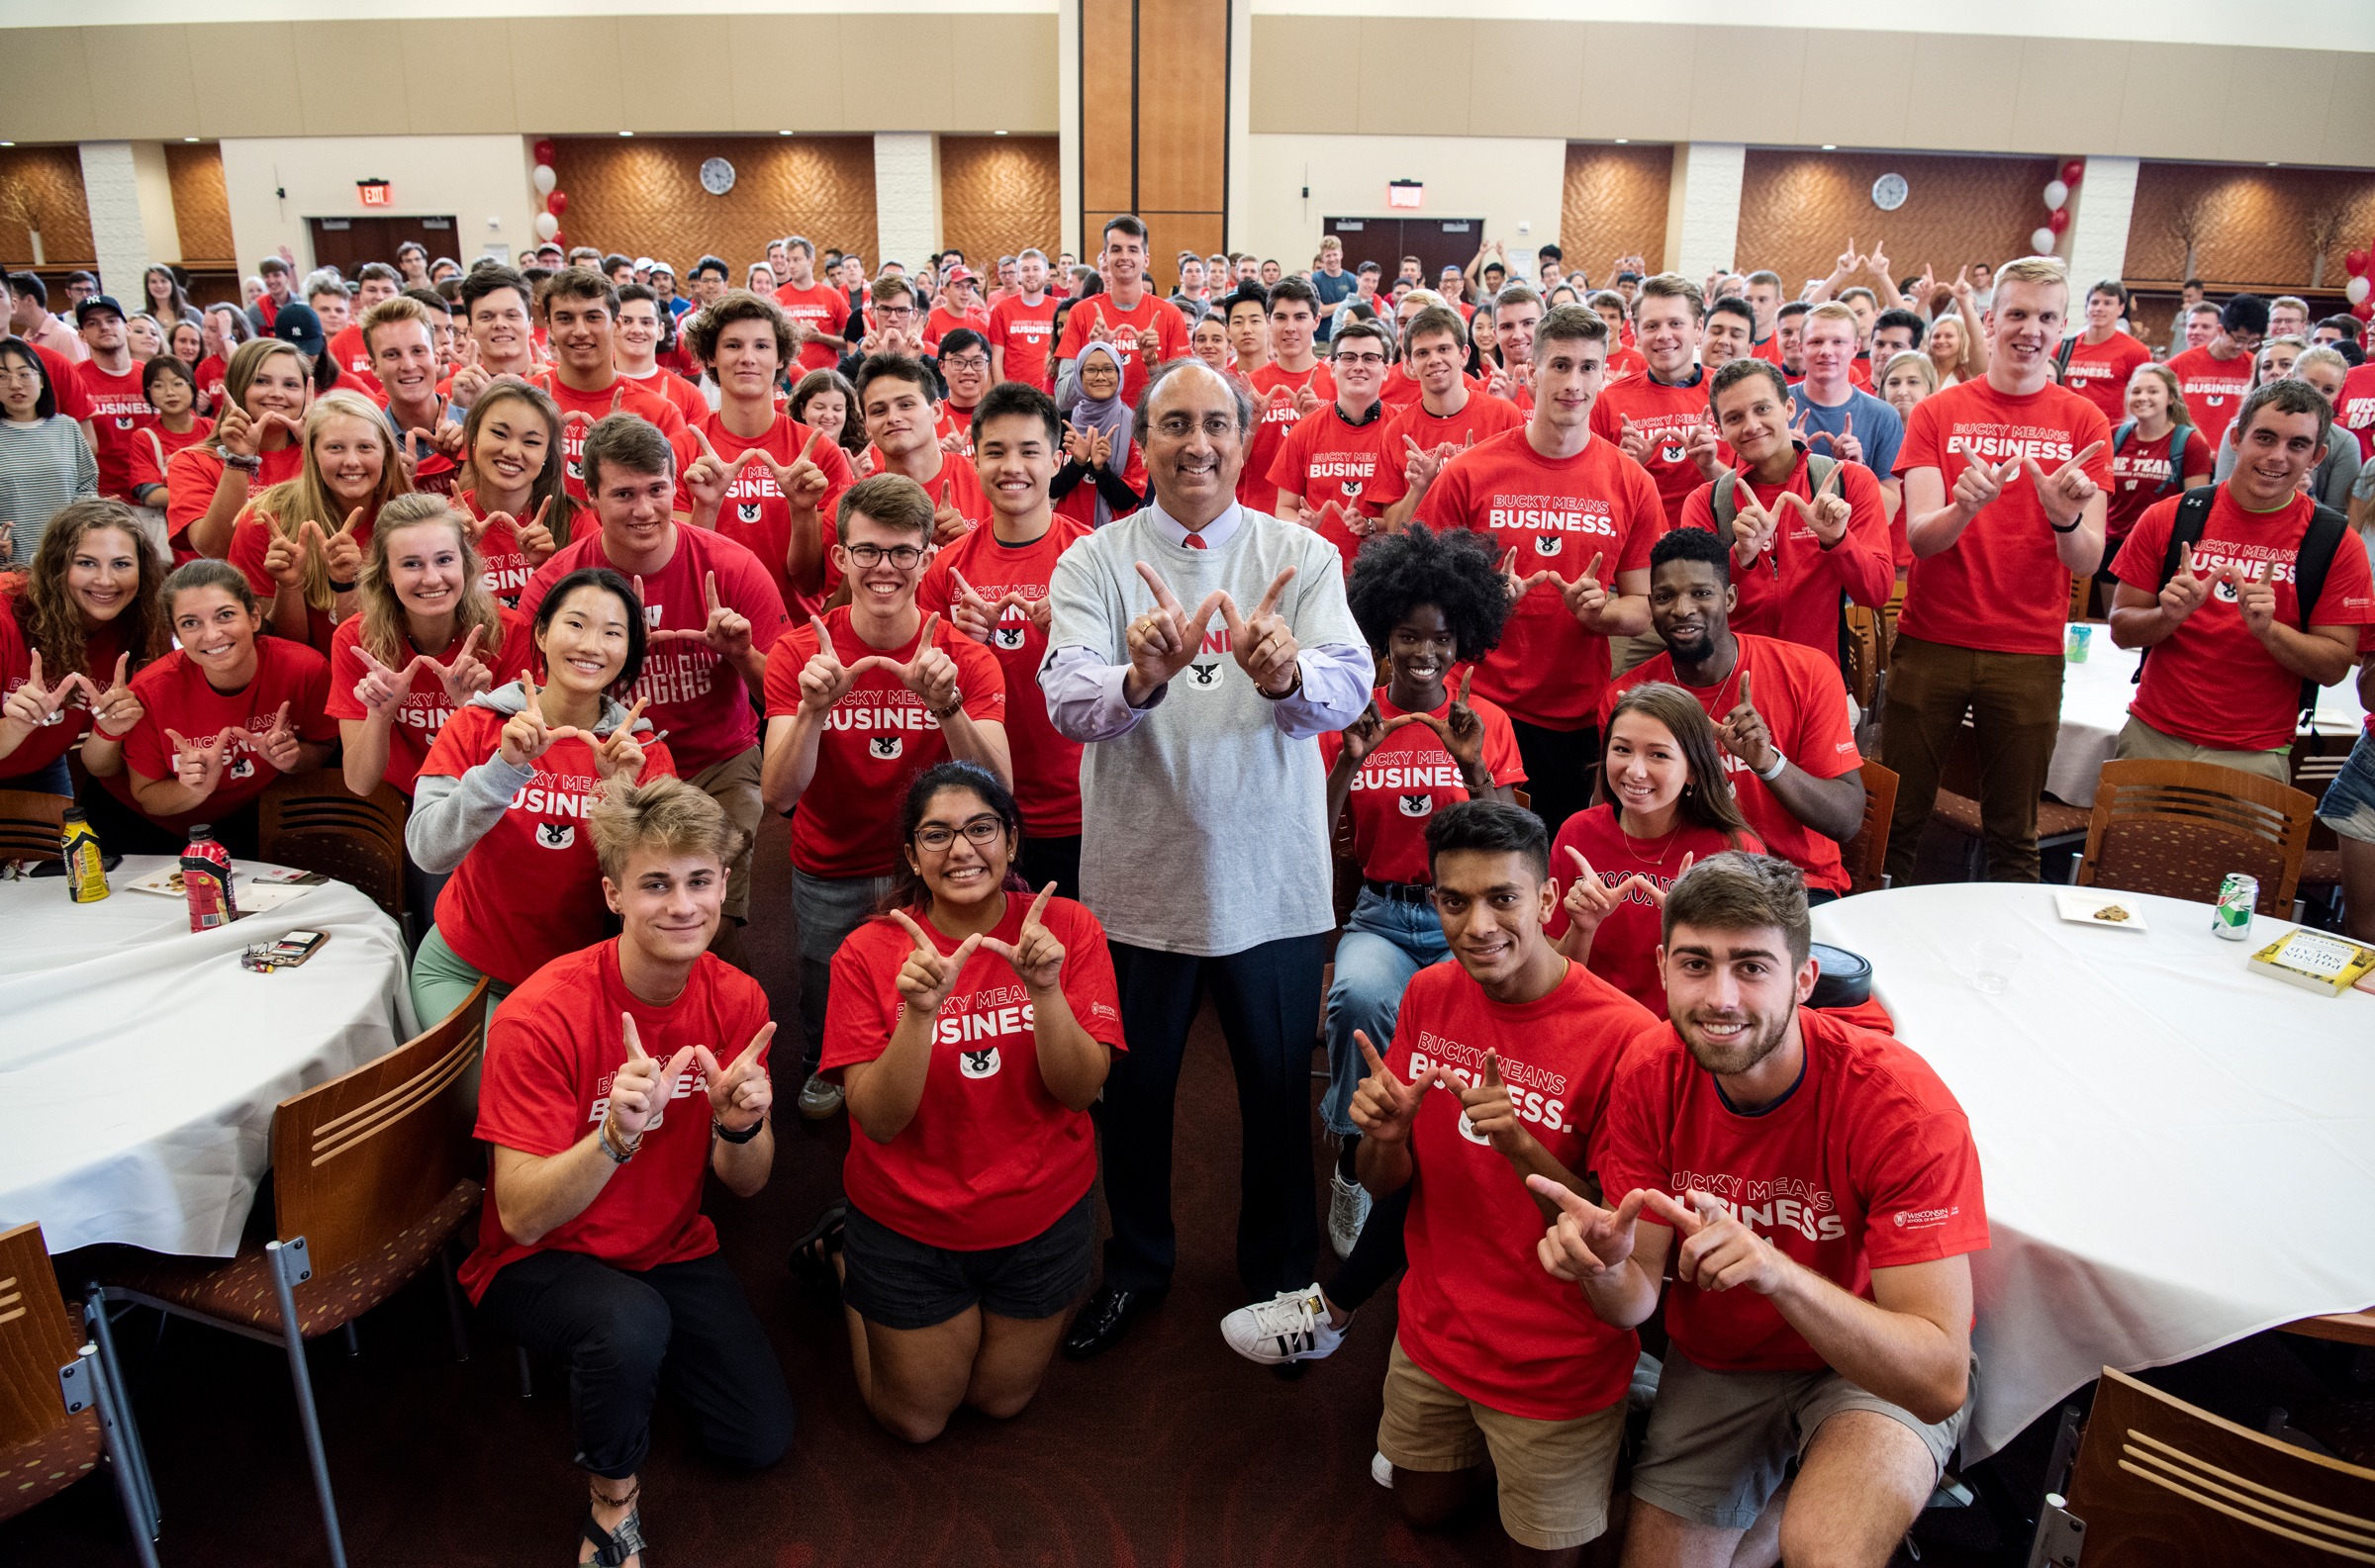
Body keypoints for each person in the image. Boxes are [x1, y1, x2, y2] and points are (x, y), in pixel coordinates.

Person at [1039, 357, 1368, 1357]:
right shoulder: (1094, 559)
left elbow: (1348, 687)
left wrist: (1288, 672)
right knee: (1133, 1099)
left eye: (1215, 423)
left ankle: (1279, 1276)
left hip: (1271, 885)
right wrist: (1139, 679)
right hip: (1140, 882)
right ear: (1141, 439)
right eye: (1174, 422)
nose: (1197, 442)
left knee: (1275, 1096)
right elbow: (1067, 700)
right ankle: (1138, 1264)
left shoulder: (1301, 555)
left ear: (1245, 436)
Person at [1537, 853, 1985, 1568]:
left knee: (1827, 1551)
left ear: (1804, 980)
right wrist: (1603, 1267)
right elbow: (1633, 1304)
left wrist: (1777, 1270)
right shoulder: (1650, 1072)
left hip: (1871, 1355)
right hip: (1727, 1357)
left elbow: (1937, 1376)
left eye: (1751, 966)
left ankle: (1801, 1489)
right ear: (1661, 967)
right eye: (1695, 963)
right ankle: (1785, 1486)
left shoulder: (1900, 1105)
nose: (1720, 996)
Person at [462, 777, 793, 1568]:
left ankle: (631, 1357)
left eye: (700, 880)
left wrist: (740, 1124)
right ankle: (613, 1509)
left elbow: (746, 1181)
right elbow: (521, 1217)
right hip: (541, 1258)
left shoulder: (740, 997)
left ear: (723, 886)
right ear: (613, 893)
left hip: (668, 1243)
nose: (682, 905)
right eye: (655, 883)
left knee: (759, 1437)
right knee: (628, 1325)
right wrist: (613, 1136)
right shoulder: (539, 1015)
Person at [1350, 800, 1654, 1566]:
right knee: (1423, 1510)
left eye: (1503, 898)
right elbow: (1384, 1183)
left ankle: (1620, 1435)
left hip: (1557, 1362)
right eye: (1454, 901)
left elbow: (1613, 1235)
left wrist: (1519, 1144)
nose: (1477, 924)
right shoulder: (1428, 993)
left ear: (1547, 902)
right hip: (1435, 1329)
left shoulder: (1626, 1038)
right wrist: (1382, 1139)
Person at [811, 763, 1119, 1443]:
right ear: (911, 856)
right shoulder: (868, 952)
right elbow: (878, 1118)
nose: (961, 849)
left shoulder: (1067, 929)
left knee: (1000, 1401)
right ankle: (845, 1257)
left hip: (1040, 1211)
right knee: (916, 1420)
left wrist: (1044, 989)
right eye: (936, 834)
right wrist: (920, 1013)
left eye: (981, 828)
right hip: (911, 1220)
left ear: (1011, 842)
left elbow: (1080, 1090)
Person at [760, 473, 1010, 1120]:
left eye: (903, 552)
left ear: (927, 558)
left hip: (932, 866)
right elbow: (778, 792)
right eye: (867, 550)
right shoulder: (798, 653)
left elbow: (1000, 791)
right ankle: (827, 1060)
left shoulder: (964, 657)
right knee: (823, 984)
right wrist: (815, 710)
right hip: (830, 864)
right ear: (841, 556)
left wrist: (946, 705)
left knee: (938, 986)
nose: (885, 568)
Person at [1313, 524, 1521, 1252]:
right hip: (1381, 910)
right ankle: (1351, 1151)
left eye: (1440, 638)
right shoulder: (1349, 718)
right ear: (1381, 638)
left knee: (1461, 1026)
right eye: (1407, 636)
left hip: (1463, 920)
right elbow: (1312, 831)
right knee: (1360, 999)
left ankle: (1440, 1161)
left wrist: (1474, 768)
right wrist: (1349, 759)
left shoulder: (1484, 721)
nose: (1425, 653)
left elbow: (1515, 845)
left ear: (1461, 641)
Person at [521, 414, 789, 955]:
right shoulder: (559, 583)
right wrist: (607, 653)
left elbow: (783, 698)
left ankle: (715, 1016)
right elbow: (531, 697)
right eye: (623, 494)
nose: (643, 510)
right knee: (605, 918)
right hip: (605, 757)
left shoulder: (731, 567)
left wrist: (741, 655)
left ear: (674, 486)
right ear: (590, 496)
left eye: (656, 490)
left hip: (717, 762)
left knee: (706, 922)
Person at [1885, 255, 2110, 886]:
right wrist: (1964, 505)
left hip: (2029, 649)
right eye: (2016, 313)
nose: (2029, 329)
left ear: (2062, 328)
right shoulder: (1938, 412)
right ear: (1991, 318)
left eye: (2044, 317)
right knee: (1900, 816)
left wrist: (2063, 518)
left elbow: (2088, 557)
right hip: (1934, 640)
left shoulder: (2084, 423)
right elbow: (1922, 541)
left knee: (2016, 831)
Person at [1413, 305, 1662, 835]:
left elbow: (1642, 609)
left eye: (1589, 367)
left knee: (1551, 866)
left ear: (1605, 375)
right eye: (1561, 365)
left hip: (1575, 715)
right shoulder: (1468, 473)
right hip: (1478, 702)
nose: (1574, 383)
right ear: (1531, 371)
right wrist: (1481, 599)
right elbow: (1420, 592)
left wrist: (1602, 612)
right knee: (1472, 859)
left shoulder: (1632, 482)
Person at [408, 564, 672, 1040]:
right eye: (575, 624)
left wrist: (622, 795)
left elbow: (661, 892)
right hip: (468, 974)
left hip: (588, 979)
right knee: (505, 1097)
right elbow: (429, 851)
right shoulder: (478, 726)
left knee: (585, 1107)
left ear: (629, 651)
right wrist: (502, 770)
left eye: (613, 633)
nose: (591, 646)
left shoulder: (640, 750)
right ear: (543, 632)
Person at [2107, 380, 2372, 780]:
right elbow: (2122, 630)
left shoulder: (2335, 541)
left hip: (2256, 751)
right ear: (2235, 438)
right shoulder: (2171, 516)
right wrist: (2169, 615)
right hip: (2153, 733)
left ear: (2316, 456)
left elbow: (2335, 667)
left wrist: (2269, 630)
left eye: (2297, 445)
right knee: (2131, 845)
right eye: (2264, 438)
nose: (2277, 457)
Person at [1606, 526, 1864, 903]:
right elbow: (1608, 820)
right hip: (1677, 882)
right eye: (1665, 596)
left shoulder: (1808, 672)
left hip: (1792, 883)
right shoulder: (1626, 697)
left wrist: (1768, 763)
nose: (1682, 609)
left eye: (1701, 593)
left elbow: (1846, 820)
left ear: (1729, 598)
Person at [916, 383, 1090, 897]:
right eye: (995, 451)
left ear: (1057, 460)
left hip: (1080, 806)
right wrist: (957, 647)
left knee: (1079, 956)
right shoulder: (946, 568)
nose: (1012, 465)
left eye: (1029, 451)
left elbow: (1138, 680)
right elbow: (920, 689)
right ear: (973, 460)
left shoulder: (1092, 557)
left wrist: (1079, 634)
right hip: (980, 808)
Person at [1551, 682, 1760, 1016]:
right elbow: (1552, 981)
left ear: (1693, 769)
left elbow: (1749, 984)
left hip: (1685, 1034)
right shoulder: (1577, 833)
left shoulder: (1735, 851)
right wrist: (1582, 928)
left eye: (1658, 755)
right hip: (1588, 1022)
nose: (1634, 770)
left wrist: (1693, 929)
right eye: (1621, 750)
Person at [105, 559, 335, 854]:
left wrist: (294, 758)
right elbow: (148, 797)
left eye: (225, 615)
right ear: (175, 633)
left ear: (254, 616)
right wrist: (195, 787)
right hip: (147, 829)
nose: (211, 635)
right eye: (190, 623)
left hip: (250, 820)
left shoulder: (306, 669)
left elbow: (325, 745)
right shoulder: (151, 689)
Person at [330, 493, 531, 803]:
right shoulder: (357, 640)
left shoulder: (511, 632)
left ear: (465, 562)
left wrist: (472, 709)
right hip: (404, 799)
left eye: (444, 559)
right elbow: (359, 782)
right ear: (386, 573)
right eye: (412, 564)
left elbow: (519, 770)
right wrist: (381, 715)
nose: (432, 578)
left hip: (489, 797)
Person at [1684, 358, 1894, 655]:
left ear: (1789, 408)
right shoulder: (1706, 501)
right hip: (1733, 675)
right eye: (1734, 418)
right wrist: (1741, 557)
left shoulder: (1849, 482)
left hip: (1819, 678)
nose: (1752, 425)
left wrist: (1837, 541)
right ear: (1719, 430)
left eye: (1763, 408)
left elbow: (1876, 592)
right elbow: (1692, 606)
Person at [680, 291, 855, 618]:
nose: (748, 357)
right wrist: (707, 505)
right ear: (711, 356)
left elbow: (808, 583)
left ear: (780, 359)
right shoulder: (682, 450)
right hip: (706, 630)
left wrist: (802, 511)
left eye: (761, 346)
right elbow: (683, 574)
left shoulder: (819, 453)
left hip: (793, 636)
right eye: (733, 345)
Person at [229, 388, 409, 658]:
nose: (351, 461)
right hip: (307, 680)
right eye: (335, 447)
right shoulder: (265, 519)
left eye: (365, 447)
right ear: (312, 454)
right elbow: (281, 649)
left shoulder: (412, 520)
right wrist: (289, 586)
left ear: (387, 452)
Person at [0, 500, 162, 798]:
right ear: (56, 565)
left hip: (42, 768)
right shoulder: (5, 614)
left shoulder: (141, 629)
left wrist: (110, 731)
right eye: (86, 563)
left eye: (121, 564)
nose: (105, 580)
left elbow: (102, 766)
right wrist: (15, 727)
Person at [1367, 305, 1524, 533]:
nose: (1434, 360)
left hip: (1489, 560)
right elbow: (1393, 529)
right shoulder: (1397, 431)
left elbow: (1523, 505)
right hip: (1425, 564)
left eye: (1443, 349)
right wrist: (1419, 488)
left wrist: (1476, 477)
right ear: (1409, 364)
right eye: (1422, 353)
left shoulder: (1505, 415)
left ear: (1463, 355)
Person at [1590, 274, 1726, 529]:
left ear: (1698, 328)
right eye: (1652, 326)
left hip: (1718, 547)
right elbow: (1588, 496)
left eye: (1675, 323)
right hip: (1637, 550)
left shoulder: (1729, 392)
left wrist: (1711, 467)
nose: (1664, 335)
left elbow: (1755, 490)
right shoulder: (1608, 401)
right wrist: (1626, 469)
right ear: (1636, 334)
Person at [1271, 319, 1398, 569]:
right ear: (1331, 367)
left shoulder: (1402, 430)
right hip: (1318, 571)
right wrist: (1299, 524)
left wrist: (1371, 525)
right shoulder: (1304, 431)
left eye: (1370, 358)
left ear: (1386, 370)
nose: (1358, 366)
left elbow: (1413, 514)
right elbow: (1283, 508)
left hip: (1386, 575)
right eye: (1348, 357)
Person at [170, 335, 312, 561]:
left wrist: (313, 448)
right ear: (237, 386)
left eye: (291, 384)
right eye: (261, 381)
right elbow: (215, 549)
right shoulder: (192, 462)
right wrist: (239, 459)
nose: (276, 392)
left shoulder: (323, 456)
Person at [2097, 363, 2212, 615]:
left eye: (2153, 391)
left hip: (2161, 550)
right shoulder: (2114, 436)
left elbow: (2198, 505)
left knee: (2150, 623)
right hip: (2114, 547)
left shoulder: (2190, 443)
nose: (2143, 398)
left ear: (2170, 397)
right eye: (2136, 392)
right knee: (2114, 624)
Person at [452, 376, 571, 605]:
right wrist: (458, 551)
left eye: (531, 442)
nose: (513, 452)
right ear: (473, 437)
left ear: (547, 454)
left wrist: (546, 568)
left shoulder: (575, 520)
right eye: (499, 434)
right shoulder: (444, 521)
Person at [1051, 216, 1188, 410]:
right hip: (1096, 434)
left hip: (1151, 434)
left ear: (1146, 259)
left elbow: (1181, 397)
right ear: (1105, 258)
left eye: (1133, 249)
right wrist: (1093, 351)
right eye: (1116, 249)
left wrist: (1152, 363)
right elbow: (1064, 399)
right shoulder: (1081, 312)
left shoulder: (1170, 315)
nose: (1124, 256)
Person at [1789, 303, 1903, 527]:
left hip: (1852, 545)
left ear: (1856, 347)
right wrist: (1783, 459)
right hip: (1786, 544)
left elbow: (1888, 512)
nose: (1826, 351)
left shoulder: (1884, 416)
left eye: (1838, 342)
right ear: (1801, 347)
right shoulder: (1774, 407)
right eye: (1816, 341)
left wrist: (1856, 470)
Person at [857, 354, 990, 542]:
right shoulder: (853, 505)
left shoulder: (988, 486)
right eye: (879, 410)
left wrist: (963, 547)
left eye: (906, 405)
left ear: (936, 410)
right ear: (867, 427)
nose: (893, 418)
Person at [1238, 278, 1334, 513]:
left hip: (1316, 519)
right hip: (1259, 519)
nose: (1290, 327)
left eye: (1300, 317)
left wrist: (1311, 424)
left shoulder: (1336, 382)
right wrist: (1251, 424)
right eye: (1281, 317)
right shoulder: (1249, 385)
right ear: (1270, 322)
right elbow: (1231, 463)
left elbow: (1342, 460)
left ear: (1316, 321)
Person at [0, 336, 99, 563]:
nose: (15, 384)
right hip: (11, 565)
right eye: (2, 377)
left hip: (67, 559)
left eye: (24, 374)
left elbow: (86, 486)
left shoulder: (66, 427)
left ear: (42, 380)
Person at [67, 296, 155, 507]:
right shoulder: (73, 379)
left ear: (127, 328)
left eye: (111, 320)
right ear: (82, 335)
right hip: (104, 501)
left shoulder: (153, 377)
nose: (104, 327)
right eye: (92, 323)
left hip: (155, 495)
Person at [1051, 342, 1146, 529]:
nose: (1100, 376)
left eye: (1108, 369)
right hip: (1065, 534)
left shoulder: (1135, 425)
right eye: (1091, 370)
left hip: (1115, 538)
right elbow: (1050, 489)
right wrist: (1078, 463)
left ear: (1119, 374)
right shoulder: (1063, 423)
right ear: (1078, 376)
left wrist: (1101, 469)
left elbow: (1128, 500)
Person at [2167, 294, 2266, 449]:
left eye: (2251, 342)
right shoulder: (2179, 365)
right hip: (2187, 451)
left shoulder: (2255, 367)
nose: (2242, 347)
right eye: (2239, 339)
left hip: (2232, 454)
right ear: (2221, 330)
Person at [124, 354, 212, 517]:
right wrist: (211, 498)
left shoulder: (213, 430)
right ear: (148, 393)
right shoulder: (144, 438)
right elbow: (150, 495)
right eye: (158, 385)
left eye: (178, 384)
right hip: (169, 533)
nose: (170, 392)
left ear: (193, 388)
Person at [614, 284, 708, 430]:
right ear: (612, 327)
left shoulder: (690, 396)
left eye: (646, 322)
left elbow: (699, 452)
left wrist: (666, 421)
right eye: (626, 321)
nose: (637, 330)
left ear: (660, 331)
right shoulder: (590, 386)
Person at [2058, 279, 2151, 424]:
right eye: (2094, 303)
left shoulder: (2136, 351)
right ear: (2086, 308)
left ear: (2120, 309)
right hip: (2066, 430)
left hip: (2110, 434)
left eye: (2107, 303)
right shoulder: (2062, 348)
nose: (2099, 308)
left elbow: (2145, 398)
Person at [770, 234, 852, 375]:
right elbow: (769, 340)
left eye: (796, 260)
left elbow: (849, 341)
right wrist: (798, 333)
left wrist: (820, 337)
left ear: (811, 260)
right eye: (788, 260)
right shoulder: (776, 298)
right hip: (789, 378)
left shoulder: (832, 295)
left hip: (826, 376)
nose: (791, 265)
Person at [988, 248, 1061, 394]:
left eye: (1036, 269)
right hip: (1014, 394)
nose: (1031, 274)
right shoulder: (1002, 309)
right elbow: (996, 359)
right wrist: (1003, 393)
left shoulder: (1058, 308)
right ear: (1019, 275)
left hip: (1049, 393)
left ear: (1047, 274)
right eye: (1025, 269)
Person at [1875, 349, 1936, 429]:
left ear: (1929, 388)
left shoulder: (1942, 432)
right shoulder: (1870, 431)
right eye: (1894, 383)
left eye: (1913, 382)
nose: (1902, 392)